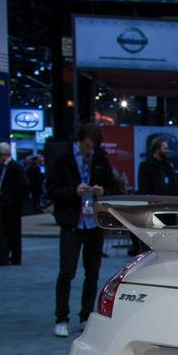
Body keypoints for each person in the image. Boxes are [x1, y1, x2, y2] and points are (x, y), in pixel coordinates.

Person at [49, 122, 119, 338]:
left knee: (92, 273)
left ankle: (85, 316)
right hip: (72, 223)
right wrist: (73, 191)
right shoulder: (62, 158)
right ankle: (61, 318)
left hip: (94, 225)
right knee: (66, 273)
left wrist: (102, 191)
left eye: (93, 147)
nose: (90, 150)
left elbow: (113, 187)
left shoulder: (100, 159)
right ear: (79, 141)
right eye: (87, 146)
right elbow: (51, 190)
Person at [134, 136, 178, 254]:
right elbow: (143, 188)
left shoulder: (167, 165)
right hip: (153, 211)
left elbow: (173, 185)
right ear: (157, 149)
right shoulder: (145, 165)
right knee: (151, 244)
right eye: (165, 148)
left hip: (169, 210)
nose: (167, 151)